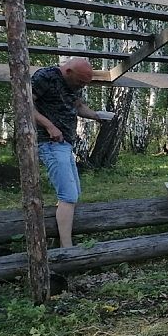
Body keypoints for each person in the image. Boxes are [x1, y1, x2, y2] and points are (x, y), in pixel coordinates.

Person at [32, 58, 106, 247]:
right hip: (49, 142)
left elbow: (79, 107)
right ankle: (67, 248)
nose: (81, 85)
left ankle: (59, 240)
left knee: (74, 193)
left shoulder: (75, 84)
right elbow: (24, 105)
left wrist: (98, 116)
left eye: (85, 83)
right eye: (80, 81)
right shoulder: (44, 77)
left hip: (65, 144)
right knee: (68, 195)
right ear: (68, 71)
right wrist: (50, 126)